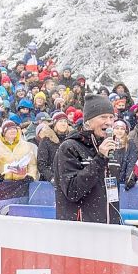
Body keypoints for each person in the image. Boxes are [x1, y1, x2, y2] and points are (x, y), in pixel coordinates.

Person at [53, 95, 122, 224]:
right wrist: (100, 159)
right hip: (81, 230)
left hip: (109, 228)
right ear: (88, 122)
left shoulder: (111, 149)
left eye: (111, 117)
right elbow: (72, 191)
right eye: (103, 117)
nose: (108, 122)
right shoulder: (70, 147)